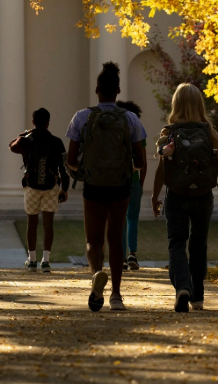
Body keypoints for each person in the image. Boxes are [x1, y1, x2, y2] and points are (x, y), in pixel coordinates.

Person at [151, 83, 218, 312]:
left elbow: (161, 170)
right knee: (199, 245)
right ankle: (198, 297)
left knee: (177, 244)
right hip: (203, 196)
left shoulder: (169, 133)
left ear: (176, 104)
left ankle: (182, 287)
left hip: (177, 195)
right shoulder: (209, 132)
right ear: (199, 105)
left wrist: (154, 197)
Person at [66, 62, 147, 312]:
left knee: (93, 241)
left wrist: (83, 170)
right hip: (120, 186)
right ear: (118, 90)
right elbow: (141, 160)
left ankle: (96, 275)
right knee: (115, 239)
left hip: (93, 185)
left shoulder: (82, 116)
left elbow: (70, 159)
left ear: (97, 90)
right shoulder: (131, 119)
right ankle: (116, 296)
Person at [9, 108, 70, 273]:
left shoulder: (27, 141)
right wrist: (64, 189)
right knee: (48, 224)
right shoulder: (57, 142)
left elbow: (11, 146)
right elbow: (64, 169)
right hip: (51, 187)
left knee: (32, 223)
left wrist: (23, 134)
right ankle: (46, 261)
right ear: (48, 122)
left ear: (33, 122)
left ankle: (32, 259)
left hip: (31, 187)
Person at [116, 100, 147, 271]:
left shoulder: (116, 131)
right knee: (132, 218)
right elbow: (143, 161)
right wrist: (141, 182)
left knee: (119, 219)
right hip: (134, 180)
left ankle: (121, 257)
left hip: (117, 180)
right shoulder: (137, 129)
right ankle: (132, 254)